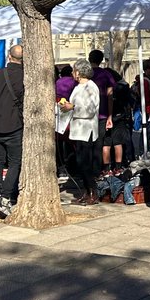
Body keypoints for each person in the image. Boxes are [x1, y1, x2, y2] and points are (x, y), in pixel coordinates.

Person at [0, 43, 24, 219]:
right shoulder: (25, 76)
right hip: (14, 123)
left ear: (9, 56)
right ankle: (7, 196)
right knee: (15, 162)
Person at [66, 59, 102, 206]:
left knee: (85, 163)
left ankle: (92, 191)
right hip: (78, 129)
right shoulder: (78, 87)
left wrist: (72, 107)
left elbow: (90, 110)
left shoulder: (91, 87)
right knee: (81, 163)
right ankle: (87, 191)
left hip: (86, 129)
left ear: (79, 72)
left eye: (74, 70)